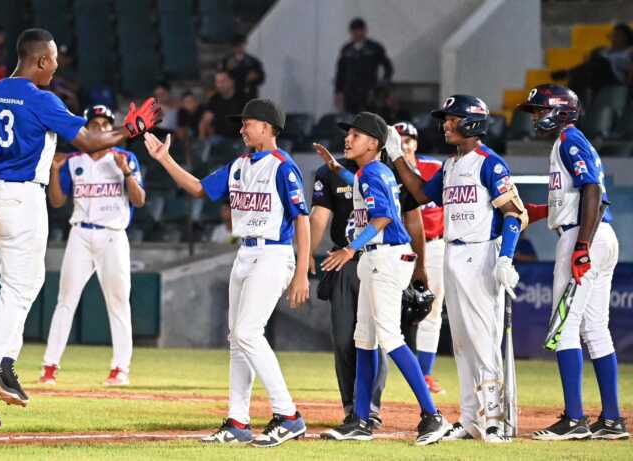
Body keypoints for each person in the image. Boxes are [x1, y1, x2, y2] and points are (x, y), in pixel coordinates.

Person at [0, 28, 160, 430]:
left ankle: (5, 366)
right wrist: (129, 132)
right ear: (41, 60)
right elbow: (88, 142)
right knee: (16, 291)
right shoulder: (41, 98)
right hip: (23, 198)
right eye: (54, 59)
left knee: (25, 286)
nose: (57, 66)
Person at [143, 99, 309, 447]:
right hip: (245, 251)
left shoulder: (282, 166)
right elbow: (199, 188)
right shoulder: (239, 164)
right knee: (237, 339)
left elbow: (302, 219)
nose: (241, 128)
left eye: (248, 123)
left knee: (248, 332)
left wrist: (302, 272)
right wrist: (164, 158)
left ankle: (289, 415)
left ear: (267, 127)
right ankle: (238, 422)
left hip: (274, 253)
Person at [387, 95, 526, 442]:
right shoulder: (450, 165)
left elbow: (512, 213)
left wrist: (506, 258)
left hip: (481, 255)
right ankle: (471, 419)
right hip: (452, 253)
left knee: (483, 341)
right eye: (447, 119)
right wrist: (395, 156)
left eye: (453, 118)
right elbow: (419, 194)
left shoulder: (489, 164)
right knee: (462, 343)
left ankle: (496, 420)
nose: (446, 124)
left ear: (473, 122)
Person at [313, 112, 450, 446]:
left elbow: (385, 217)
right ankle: (360, 420)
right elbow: (368, 191)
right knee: (364, 339)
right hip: (376, 258)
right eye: (348, 134)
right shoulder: (370, 171)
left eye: (356, 135)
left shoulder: (373, 172)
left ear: (374, 143)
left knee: (389, 337)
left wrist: (349, 249)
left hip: (385, 257)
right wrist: (336, 170)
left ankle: (432, 415)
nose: (348, 139)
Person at [516, 84, 628, 441]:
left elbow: (592, 189)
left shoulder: (568, 140)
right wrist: (529, 212)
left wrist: (581, 245)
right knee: (595, 329)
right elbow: (569, 197)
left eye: (539, 110)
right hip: (599, 236)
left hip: (583, 235)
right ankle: (612, 419)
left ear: (560, 110)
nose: (535, 117)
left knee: (564, 327)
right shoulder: (569, 141)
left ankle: (575, 419)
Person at [39, 105, 145, 387]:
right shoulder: (74, 160)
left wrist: (127, 174)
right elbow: (58, 202)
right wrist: (53, 171)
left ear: (112, 128)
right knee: (65, 300)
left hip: (113, 235)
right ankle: (49, 366)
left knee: (119, 302)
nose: (100, 127)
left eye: (105, 123)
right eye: (94, 123)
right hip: (80, 234)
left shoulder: (124, 157)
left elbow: (140, 200)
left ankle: (120, 368)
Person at [393, 121, 446, 394]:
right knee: (393, 308)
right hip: (399, 247)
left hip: (435, 245)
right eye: (399, 137)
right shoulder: (389, 170)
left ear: (416, 143)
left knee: (430, 309)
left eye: (409, 138)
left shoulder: (434, 168)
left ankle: (424, 373)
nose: (405, 142)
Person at [551, 23, 633, 104]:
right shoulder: (604, 50)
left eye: (618, 35)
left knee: (600, 62)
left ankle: (568, 73)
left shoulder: (629, 51)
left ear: (626, 37)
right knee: (582, 73)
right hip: (597, 76)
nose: (614, 38)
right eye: (613, 35)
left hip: (615, 78)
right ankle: (572, 98)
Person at [334, 18, 393, 114]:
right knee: (351, 121)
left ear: (365, 30)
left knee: (369, 120)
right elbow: (340, 72)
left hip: (369, 92)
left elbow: (388, 67)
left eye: (359, 30)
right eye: (354, 31)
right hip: (350, 93)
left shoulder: (374, 48)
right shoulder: (347, 49)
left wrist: (384, 85)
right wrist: (338, 92)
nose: (357, 33)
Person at [199, 71, 248, 142]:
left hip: (240, 139)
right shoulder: (214, 99)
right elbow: (204, 121)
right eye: (217, 82)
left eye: (223, 81)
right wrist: (202, 141)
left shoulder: (243, 99)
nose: (219, 85)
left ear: (231, 82)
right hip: (219, 138)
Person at [221, 35, 266, 100]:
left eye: (241, 45)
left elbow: (262, 78)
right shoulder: (226, 61)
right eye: (237, 45)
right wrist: (228, 71)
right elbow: (220, 77)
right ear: (233, 47)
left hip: (249, 94)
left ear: (244, 45)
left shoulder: (253, 61)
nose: (239, 48)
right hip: (232, 96)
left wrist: (256, 77)